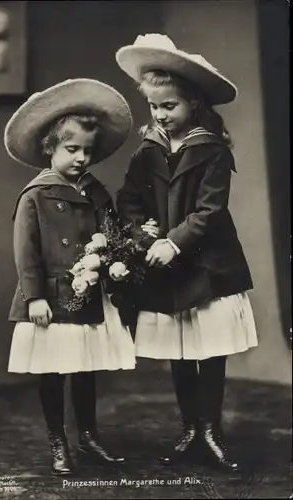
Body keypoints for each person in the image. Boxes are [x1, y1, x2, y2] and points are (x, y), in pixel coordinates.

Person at [115, 34, 258, 470]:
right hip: (164, 265)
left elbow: (210, 210)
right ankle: (189, 429)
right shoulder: (148, 148)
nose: (161, 115)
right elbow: (129, 201)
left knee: (210, 350)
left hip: (206, 264)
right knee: (178, 350)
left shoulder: (211, 149)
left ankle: (210, 428)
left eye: (169, 106)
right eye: (155, 107)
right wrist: (145, 236)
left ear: (192, 103)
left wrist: (173, 241)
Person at [5, 79, 135, 476]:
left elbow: (111, 238)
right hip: (51, 295)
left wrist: (118, 260)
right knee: (53, 371)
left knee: (84, 369)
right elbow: (26, 253)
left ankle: (89, 437)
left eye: (87, 151)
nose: (81, 158)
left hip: (88, 293)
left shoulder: (97, 192)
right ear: (51, 148)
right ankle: (58, 441)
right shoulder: (36, 195)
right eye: (72, 149)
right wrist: (35, 297)